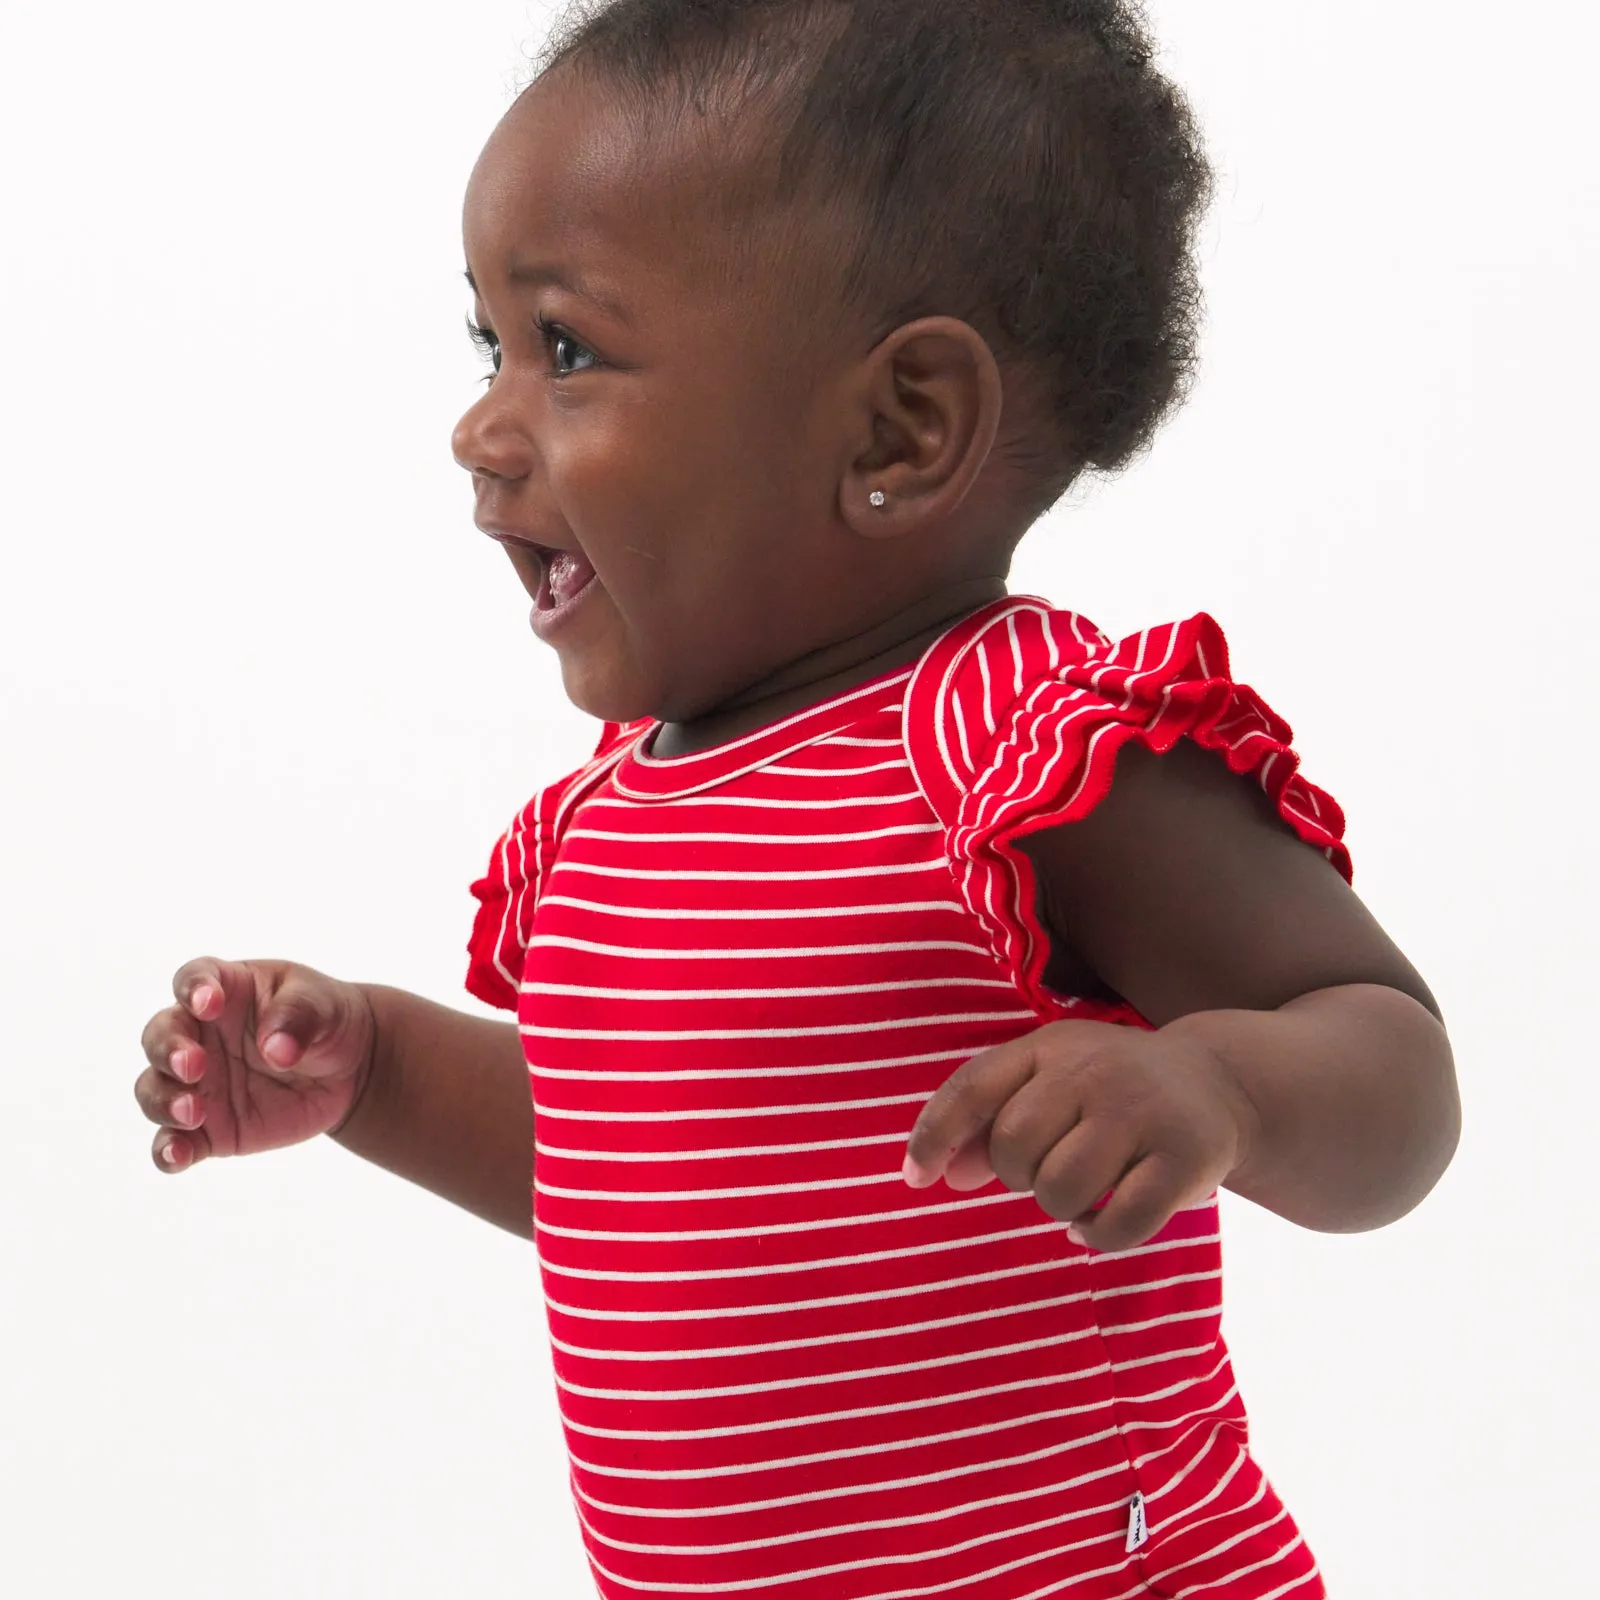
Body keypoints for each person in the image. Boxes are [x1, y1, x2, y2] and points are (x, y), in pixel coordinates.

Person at [133, 2, 1460, 1594]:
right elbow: (635, 1175)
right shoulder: (608, 816)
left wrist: (1223, 1091)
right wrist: (379, 1070)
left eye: (567, 351)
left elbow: (1392, 1066)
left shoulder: (1011, 747)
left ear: (898, 428)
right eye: (491, 349)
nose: (482, 430)